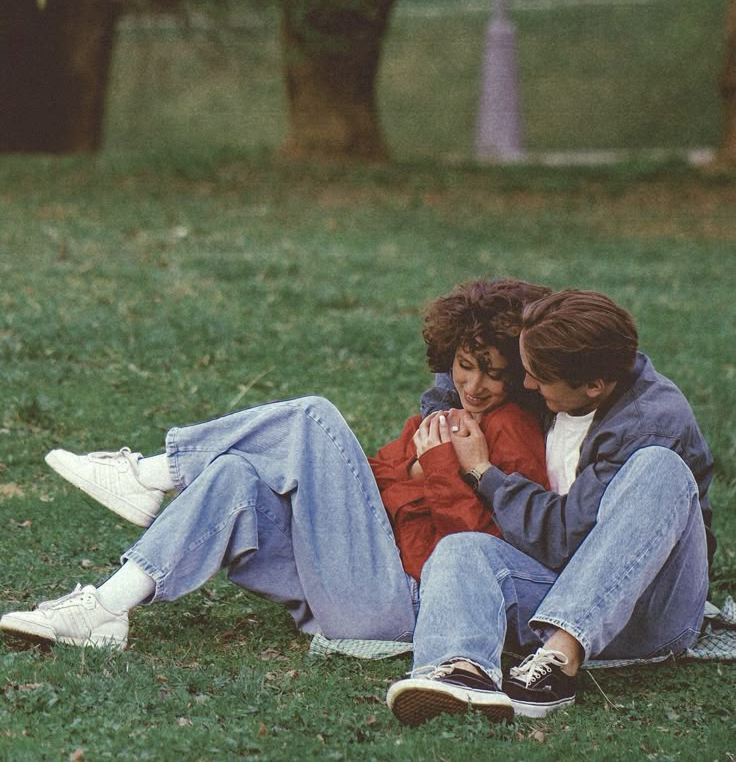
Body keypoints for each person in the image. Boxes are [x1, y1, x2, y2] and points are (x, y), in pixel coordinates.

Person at [0, 278, 549, 655]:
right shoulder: (444, 416)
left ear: (519, 375)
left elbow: (482, 556)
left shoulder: (512, 433)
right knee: (235, 474)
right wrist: (414, 474)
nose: (473, 385)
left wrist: (441, 473)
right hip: (353, 577)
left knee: (312, 417)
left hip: (405, 603)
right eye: (463, 366)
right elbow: (373, 480)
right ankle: (104, 609)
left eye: (491, 373)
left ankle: (152, 474)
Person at [386, 288, 715, 726]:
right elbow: (465, 366)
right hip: (560, 590)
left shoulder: (649, 422)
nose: (526, 384)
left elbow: (564, 540)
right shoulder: (560, 368)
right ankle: (461, 671)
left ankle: (559, 661)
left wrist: (484, 473)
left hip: (649, 612)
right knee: (463, 546)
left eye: (537, 377)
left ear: (594, 386)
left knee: (660, 468)